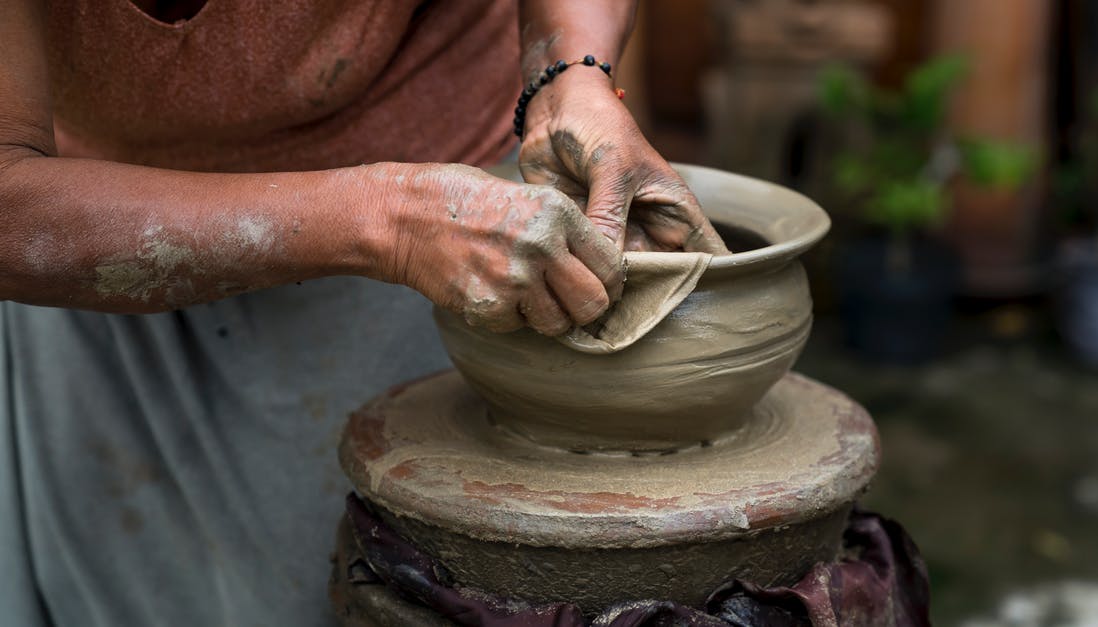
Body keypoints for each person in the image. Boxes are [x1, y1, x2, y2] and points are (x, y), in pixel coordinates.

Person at [0, 0, 727, 625]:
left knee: (353, 582)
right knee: (120, 581)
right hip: (97, 232)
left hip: (449, 203)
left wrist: (572, 73)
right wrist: (389, 218)